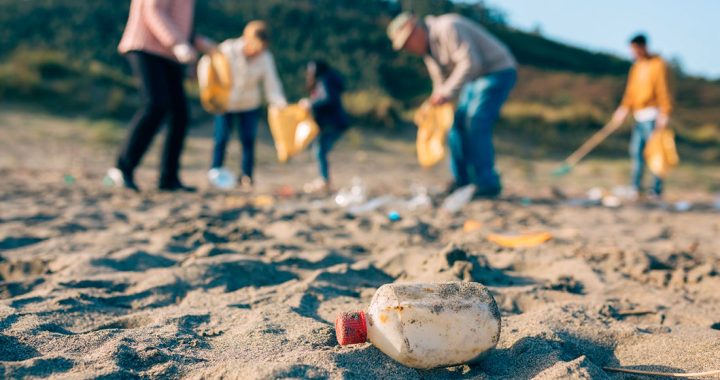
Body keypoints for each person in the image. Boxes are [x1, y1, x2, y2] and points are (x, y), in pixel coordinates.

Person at [387, 12, 517, 198]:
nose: (408, 48)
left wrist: (446, 93)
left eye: (407, 42)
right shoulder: (428, 51)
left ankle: (487, 182)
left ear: (415, 31)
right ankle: (461, 180)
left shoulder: (448, 26)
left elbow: (470, 62)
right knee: (456, 127)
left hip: (497, 70)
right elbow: (439, 83)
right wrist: (433, 102)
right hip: (475, 79)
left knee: (475, 122)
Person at [109, 0, 214, 192]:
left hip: (169, 55)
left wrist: (197, 44)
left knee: (180, 114)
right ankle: (122, 169)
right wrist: (178, 44)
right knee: (155, 104)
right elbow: (153, 12)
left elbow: (180, 22)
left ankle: (169, 178)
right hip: (145, 47)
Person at [209, 21, 287, 190]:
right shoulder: (227, 50)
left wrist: (279, 104)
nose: (256, 52)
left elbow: (272, 84)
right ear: (246, 38)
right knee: (221, 138)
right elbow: (211, 72)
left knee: (248, 140)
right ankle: (215, 172)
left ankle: (246, 176)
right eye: (254, 47)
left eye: (260, 48)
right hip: (226, 104)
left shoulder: (265, 58)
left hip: (249, 104)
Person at [609, 34, 673, 199]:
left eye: (635, 49)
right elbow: (630, 93)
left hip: (653, 115)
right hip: (638, 116)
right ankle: (635, 188)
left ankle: (656, 190)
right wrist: (623, 109)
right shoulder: (636, 67)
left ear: (643, 47)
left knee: (655, 153)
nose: (633, 53)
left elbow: (663, 90)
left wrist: (664, 112)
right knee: (636, 152)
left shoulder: (658, 64)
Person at [301, 60, 350, 193]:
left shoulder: (325, 80)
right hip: (332, 123)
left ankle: (324, 181)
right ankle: (324, 179)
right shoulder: (327, 80)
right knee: (320, 150)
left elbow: (328, 99)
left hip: (332, 124)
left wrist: (310, 104)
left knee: (320, 150)